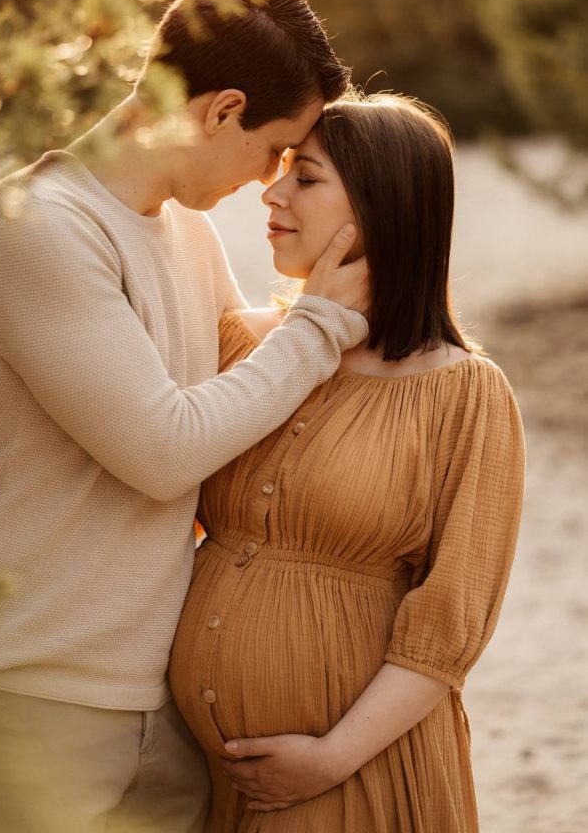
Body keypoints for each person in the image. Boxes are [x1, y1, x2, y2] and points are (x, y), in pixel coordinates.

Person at [0, 0, 371, 833]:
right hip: (29, 690)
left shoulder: (186, 231)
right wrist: (316, 328)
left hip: (155, 692)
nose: (269, 179)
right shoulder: (36, 226)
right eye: (275, 148)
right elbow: (164, 451)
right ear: (219, 110)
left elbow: (254, 399)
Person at [169, 93, 525, 832]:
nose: (271, 192)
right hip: (202, 782)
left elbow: (450, 626)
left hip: (351, 775)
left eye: (306, 178)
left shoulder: (463, 395)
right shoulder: (240, 344)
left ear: (380, 203)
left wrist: (331, 756)